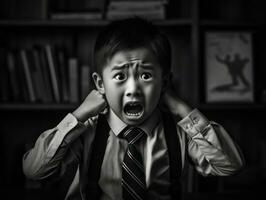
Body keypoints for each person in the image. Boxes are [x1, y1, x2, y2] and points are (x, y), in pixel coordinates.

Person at [23, 17, 244, 200]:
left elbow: (229, 166)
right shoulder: (88, 130)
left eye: (145, 76)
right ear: (100, 84)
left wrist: (183, 109)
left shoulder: (178, 132)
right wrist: (78, 114)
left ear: (164, 83)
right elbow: (35, 171)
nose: (133, 89)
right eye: (120, 76)